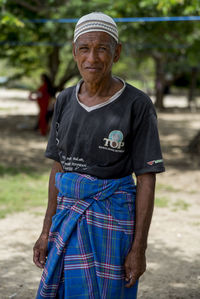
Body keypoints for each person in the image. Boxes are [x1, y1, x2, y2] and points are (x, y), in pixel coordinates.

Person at [33, 12, 165, 298]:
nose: (92, 58)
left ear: (116, 53)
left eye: (102, 48)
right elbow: (58, 167)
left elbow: (146, 179)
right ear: (74, 52)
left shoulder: (137, 104)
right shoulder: (65, 100)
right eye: (84, 48)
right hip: (66, 220)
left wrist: (139, 248)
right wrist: (46, 232)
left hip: (112, 221)